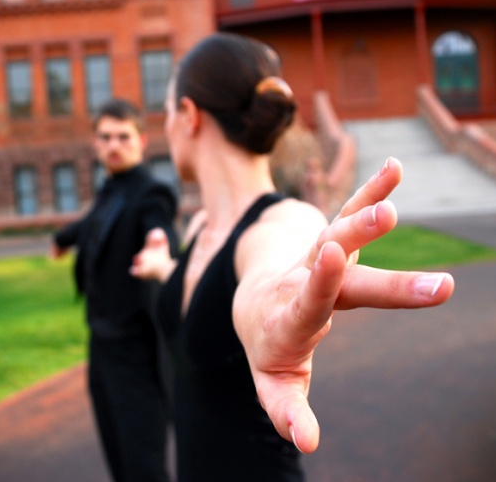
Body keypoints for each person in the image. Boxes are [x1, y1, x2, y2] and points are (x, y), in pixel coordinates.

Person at [130, 33, 455, 482]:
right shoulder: (201, 225)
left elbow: (267, 273)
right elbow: (209, 301)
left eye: (167, 111)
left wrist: (278, 302)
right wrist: (165, 271)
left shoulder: (280, 222)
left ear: (188, 116)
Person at [51, 98, 178, 482]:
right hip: (101, 346)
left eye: (123, 137)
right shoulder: (110, 189)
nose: (114, 145)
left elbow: (157, 222)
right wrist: (62, 238)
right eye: (105, 137)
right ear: (95, 143)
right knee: (118, 463)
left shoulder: (151, 191)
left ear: (143, 140)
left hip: (136, 352)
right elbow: (93, 222)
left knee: (143, 469)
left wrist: (159, 240)